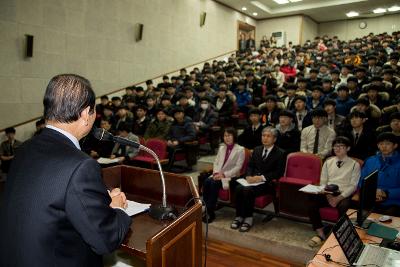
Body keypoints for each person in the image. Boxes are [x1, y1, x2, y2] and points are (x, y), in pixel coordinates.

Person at [0, 74, 131, 266]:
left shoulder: (25, 148)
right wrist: (117, 207)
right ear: (86, 114)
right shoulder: (81, 166)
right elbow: (105, 240)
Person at [307, 136, 361, 247]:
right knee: (311, 202)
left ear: (348, 148)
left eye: (341, 146)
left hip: (344, 194)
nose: (338, 148)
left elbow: (353, 186)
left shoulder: (354, 164)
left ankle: (343, 234)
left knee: (344, 206)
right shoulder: (328, 162)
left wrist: (338, 198)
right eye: (336, 146)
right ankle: (320, 232)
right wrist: (329, 196)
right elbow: (323, 181)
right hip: (328, 192)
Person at [230, 127, 286, 232]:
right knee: (238, 188)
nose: (265, 138)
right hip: (252, 181)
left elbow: (278, 173)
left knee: (247, 190)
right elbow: (250, 166)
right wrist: (248, 176)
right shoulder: (257, 149)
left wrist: (261, 178)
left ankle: (248, 218)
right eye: (263, 136)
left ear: (274, 139)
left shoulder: (280, 153)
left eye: (268, 136)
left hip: (268, 183)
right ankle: (239, 216)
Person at [202, 128, 245, 223]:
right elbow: (216, 162)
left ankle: (210, 211)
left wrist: (224, 175)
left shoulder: (240, 149)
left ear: (234, 136)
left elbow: (238, 167)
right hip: (218, 174)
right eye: (225, 136)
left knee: (213, 183)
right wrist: (216, 173)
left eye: (229, 135)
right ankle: (205, 206)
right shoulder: (222, 148)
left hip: (231, 176)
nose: (227, 138)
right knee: (206, 181)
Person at [360, 132, 400, 216]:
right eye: (381, 144)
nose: (384, 146)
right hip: (371, 199)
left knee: (388, 218)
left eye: (387, 144)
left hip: (394, 202)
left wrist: (386, 193)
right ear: (378, 146)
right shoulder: (370, 160)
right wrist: (371, 192)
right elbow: (361, 182)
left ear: (395, 145)